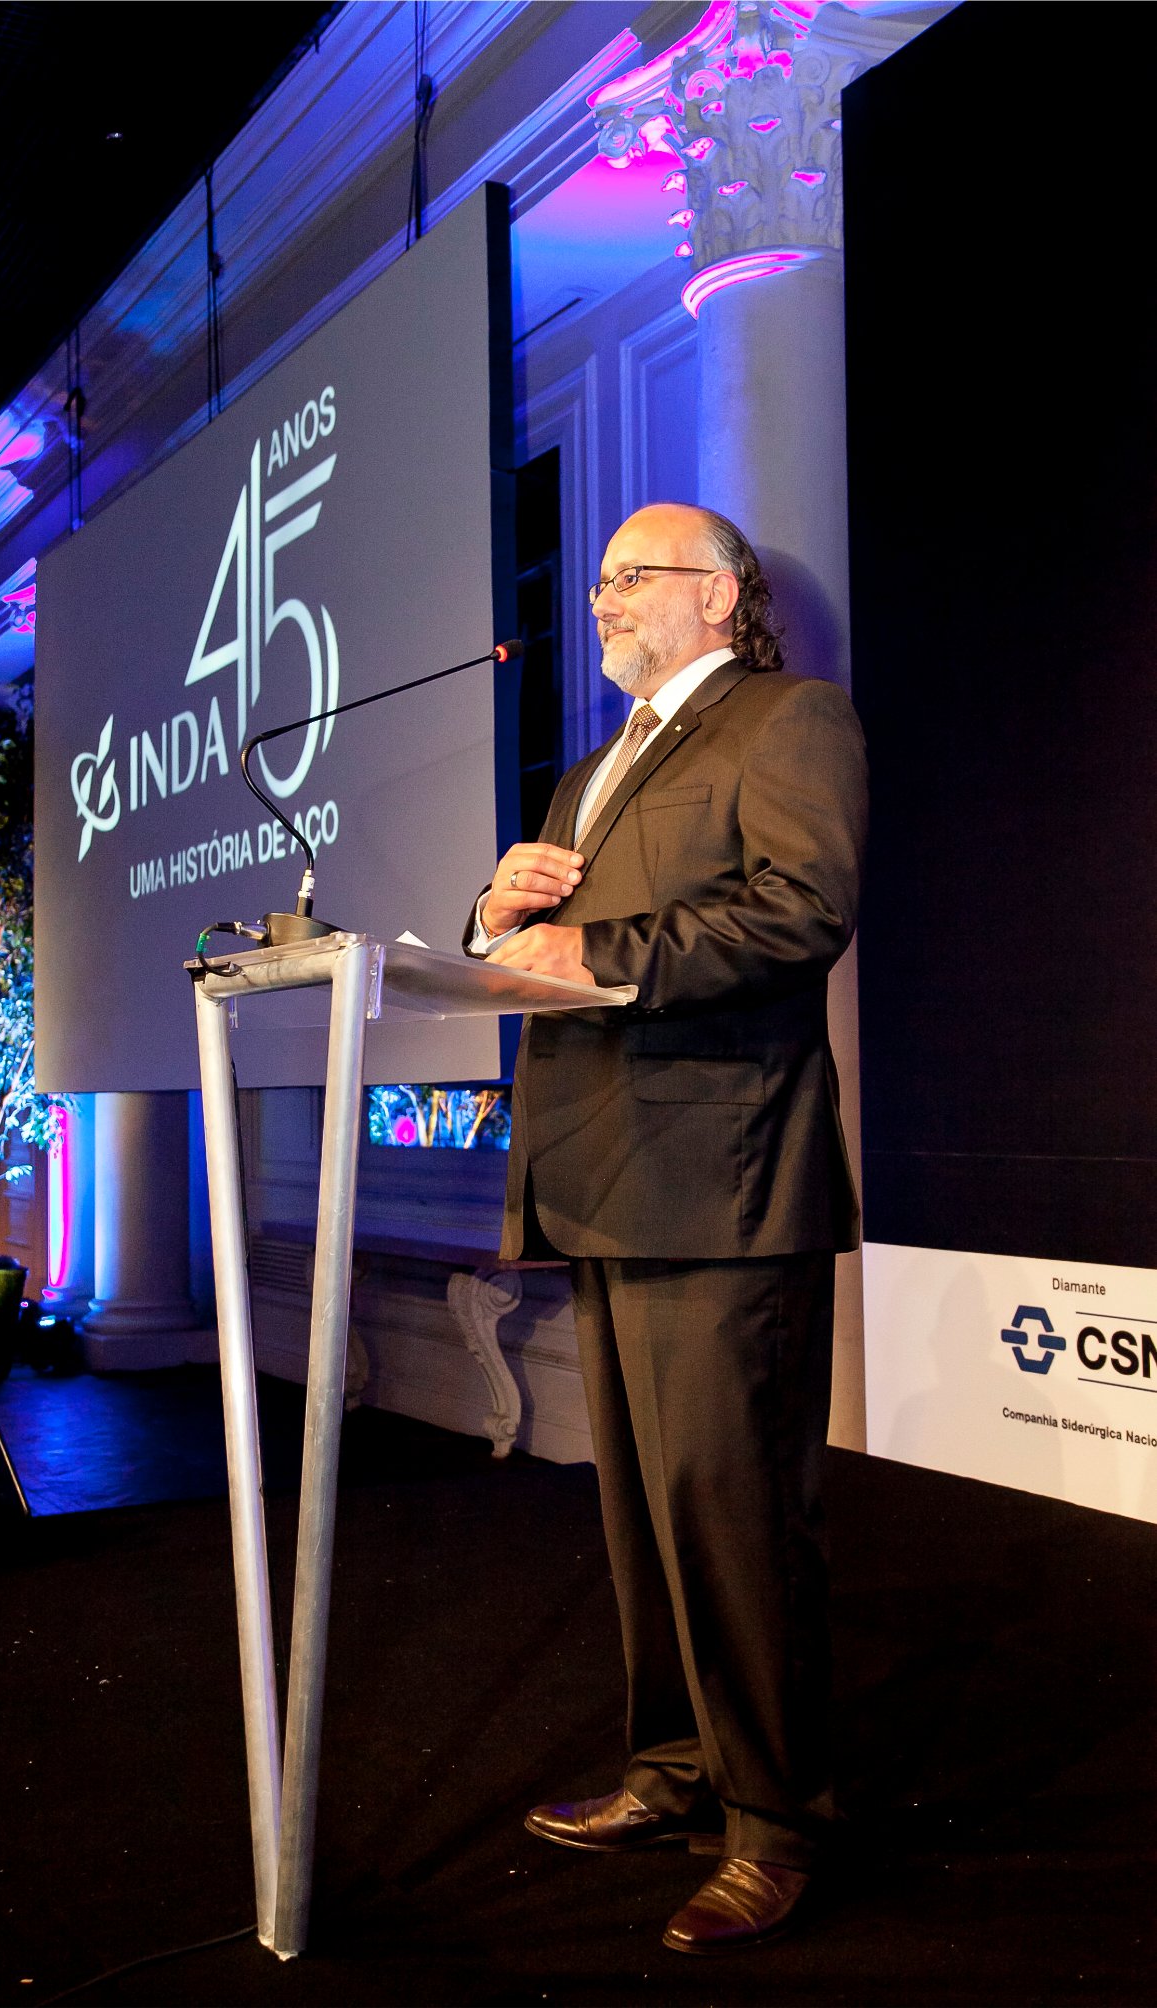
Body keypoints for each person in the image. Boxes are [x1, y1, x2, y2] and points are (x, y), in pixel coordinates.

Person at [464, 502, 867, 1953]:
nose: (602, 599)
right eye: (598, 582)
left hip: (724, 1177)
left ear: (720, 594)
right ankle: (676, 1769)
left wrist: (597, 948)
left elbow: (801, 910)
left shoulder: (788, 719)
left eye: (632, 576)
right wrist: (492, 916)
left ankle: (775, 1825)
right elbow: (539, 949)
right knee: (642, 1514)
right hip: (603, 1171)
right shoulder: (592, 770)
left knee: (736, 1514)